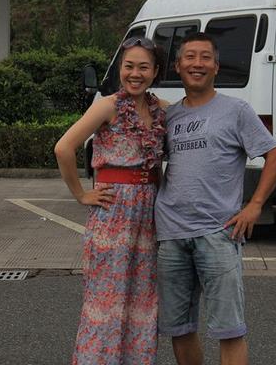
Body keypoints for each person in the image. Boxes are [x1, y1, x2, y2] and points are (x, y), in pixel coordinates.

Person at [155, 32, 276, 365]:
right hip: (171, 234)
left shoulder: (236, 110)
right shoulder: (170, 117)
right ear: (177, 65)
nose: (197, 64)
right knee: (179, 328)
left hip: (218, 233)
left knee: (229, 330)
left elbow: (275, 157)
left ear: (216, 66)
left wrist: (254, 205)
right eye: (189, 57)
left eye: (205, 57)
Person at [55, 37, 166, 364]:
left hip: (146, 216)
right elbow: (63, 148)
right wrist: (81, 194)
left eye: (143, 67)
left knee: (140, 299)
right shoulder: (107, 106)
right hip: (113, 213)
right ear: (120, 69)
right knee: (107, 300)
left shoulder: (161, 109)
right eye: (129, 66)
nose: (135, 74)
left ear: (155, 71)